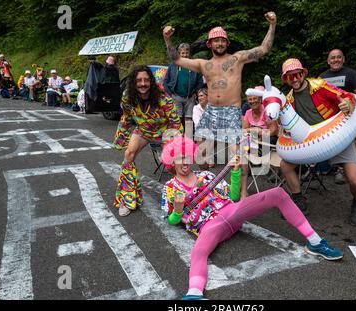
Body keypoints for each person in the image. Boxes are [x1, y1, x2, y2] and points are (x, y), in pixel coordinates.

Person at [161, 136, 343, 300]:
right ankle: (194, 294)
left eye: (186, 157)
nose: (184, 162)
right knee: (198, 252)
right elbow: (173, 221)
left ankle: (315, 242)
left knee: (277, 193)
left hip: (232, 212)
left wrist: (235, 172)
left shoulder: (206, 175)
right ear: (172, 163)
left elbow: (232, 196)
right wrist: (177, 211)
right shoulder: (170, 187)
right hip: (208, 227)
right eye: (179, 158)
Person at [163, 12, 277, 199]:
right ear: (209, 44)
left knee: (237, 155)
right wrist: (167, 39)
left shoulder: (238, 58)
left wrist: (272, 25)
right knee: (199, 153)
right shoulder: (203, 64)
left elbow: (264, 48)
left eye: (222, 40)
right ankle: (206, 184)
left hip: (231, 111)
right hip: (211, 111)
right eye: (215, 41)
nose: (219, 43)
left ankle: (241, 192)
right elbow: (177, 60)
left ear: (227, 43)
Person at [279, 58, 356, 226]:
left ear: (303, 73)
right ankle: (298, 200)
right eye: (289, 77)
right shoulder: (288, 101)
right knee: (285, 165)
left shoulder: (319, 86)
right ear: (286, 80)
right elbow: (288, 127)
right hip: (311, 144)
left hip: (336, 136)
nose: (294, 79)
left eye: (296, 74)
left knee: (355, 180)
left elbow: (347, 97)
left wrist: (347, 103)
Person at [112, 65, 183, 217]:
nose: (143, 83)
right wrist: (121, 137)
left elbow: (175, 123)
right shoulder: (127, 96)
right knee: (129, 154)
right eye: (139, 80)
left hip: (164, 131)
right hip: (143, 130)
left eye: (146, 80)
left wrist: (172, 146)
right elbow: (126, 117)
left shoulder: (163, 98)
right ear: (133, 82)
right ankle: (128, 198)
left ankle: (184, 195)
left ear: (151, 81)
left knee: (171, 164)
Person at [319, 49, 356, 184]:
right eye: (332, 58)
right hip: (327, 117)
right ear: (328, 61)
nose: (336, 60)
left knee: (342, 142)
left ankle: (341, 169)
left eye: (339, 57)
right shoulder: (321, 77)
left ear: (343, 59)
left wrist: (355, 112)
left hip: (347, 117)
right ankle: (315, 167)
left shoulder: (351, 74)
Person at [242, 86, 279, 197]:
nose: (252, 101)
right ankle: (243, 190)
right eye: (250, 99)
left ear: (260, 99)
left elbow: (274, 130)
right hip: (252, 144)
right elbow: (244, 130)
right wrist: (255, 130)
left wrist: (260, 133)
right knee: (241, 150)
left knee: (242, 152)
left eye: (255, 98)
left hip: (268, 145)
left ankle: (242, 180)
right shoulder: (248, 113)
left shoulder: (267, 111)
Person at [164, 43, 204, 136]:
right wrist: (170, 93)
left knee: (189, 119)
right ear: (179, 53)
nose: (185, 55)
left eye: (186, 52)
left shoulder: (194, 65)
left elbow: (200, 82)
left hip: (190, 97)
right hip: (176, 96)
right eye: (182, 53)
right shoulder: (173, 65)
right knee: (177, 119)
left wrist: (195, 93)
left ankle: (188, 139)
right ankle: (177, 139)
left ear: (189, 53)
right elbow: (166, 80)